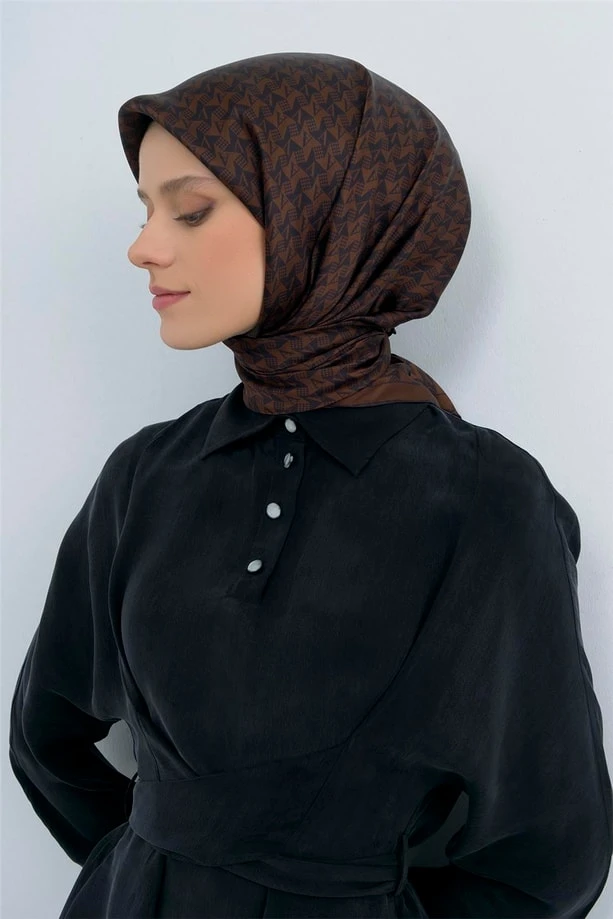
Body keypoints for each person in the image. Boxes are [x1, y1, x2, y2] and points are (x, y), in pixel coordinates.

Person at [8, 51, 612, 919]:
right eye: (145, 210)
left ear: (326, 218)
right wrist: (151, 871)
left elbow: (548, 851)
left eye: (190, 209)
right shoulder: (146, 473)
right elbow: (47, 737)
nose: (143, 247)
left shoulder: (484, 498)